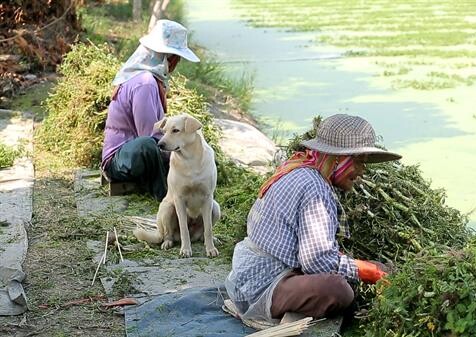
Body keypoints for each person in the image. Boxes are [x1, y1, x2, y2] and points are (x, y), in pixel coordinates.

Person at [224, 114, 402, 324]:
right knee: (338, 290)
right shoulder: (316, 188)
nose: (362, 171)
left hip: (247, 277)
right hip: (262, 286)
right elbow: (316, 261)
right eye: (359, 162)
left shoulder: (300, 169)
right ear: (338, 159)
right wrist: (366, 271)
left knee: (345, 273)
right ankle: (275, 314)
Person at [101, 20, 200, 201]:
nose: (176, 63)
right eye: (176, 58)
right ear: (167, 58)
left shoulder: (151, 81)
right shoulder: (144, 83)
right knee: (149, 146)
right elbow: (150, 134)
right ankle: (165, 197)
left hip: (134, 155)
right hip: (120, 162)